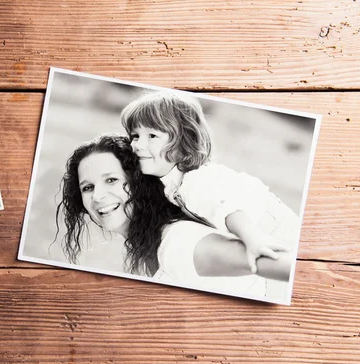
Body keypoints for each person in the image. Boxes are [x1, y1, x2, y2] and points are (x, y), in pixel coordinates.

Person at [57, 135, 293, 301]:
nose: (97, 196)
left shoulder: (177, 242)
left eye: (111, 180)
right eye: (87, 187)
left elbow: (281, 264)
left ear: (140, 182)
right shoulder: (152, 243)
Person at [121, 90, 300, 273]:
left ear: (184, 143)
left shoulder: (197, 179)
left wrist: (253, 238)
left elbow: (229, 208)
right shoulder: (171, 182)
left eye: (152, 136)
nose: (137, 145)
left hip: (281, 236)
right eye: (135, 136)